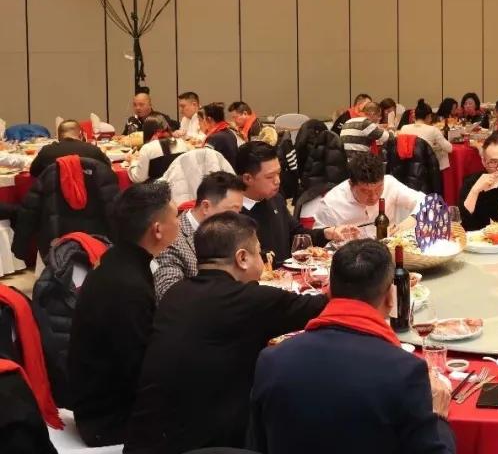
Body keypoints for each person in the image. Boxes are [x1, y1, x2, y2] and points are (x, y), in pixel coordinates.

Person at [125, 212, 327, 454]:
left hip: (146, 439)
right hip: (201, 445)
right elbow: (324, 306)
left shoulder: (176, 293)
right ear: (242, 258)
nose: (262, 259)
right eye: (258, 252)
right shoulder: (250, 300)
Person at [249, 239, 455, 454]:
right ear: (390, 298)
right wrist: (438, 416)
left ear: (329, 290)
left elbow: (256, 445)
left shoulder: (271, 360)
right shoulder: (405, 371)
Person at [67, 181, 180, 446]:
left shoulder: (120, 261)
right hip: (108, 419)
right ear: (157, 229)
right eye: (176, 216)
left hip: (108, 401)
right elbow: (138, 366)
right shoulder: (127, 285)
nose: (180, 222)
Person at [236, 142, 348, 263]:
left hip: (286, 272)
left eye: (278, 173)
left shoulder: (276, 199)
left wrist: (327, 233)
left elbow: (297, 234)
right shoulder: (234, 211)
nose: (277, 181)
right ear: (248, 178)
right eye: (270, 177)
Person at [152, 171, 246, 301]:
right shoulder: (172, 240)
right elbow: (170, 294)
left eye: (239, 212)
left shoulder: (227, 234)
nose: (236, 219)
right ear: (206, 206)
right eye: (232, 211)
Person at [308, 151, 423, 234]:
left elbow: (426, 201)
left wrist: (413, 218)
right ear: (351, 184)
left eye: (378, 189)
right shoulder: (331, 204)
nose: (374, 197)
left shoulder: (390, 183)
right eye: (365, 191)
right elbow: (318, 241)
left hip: (388, 250)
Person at [29, 119, 110, 178]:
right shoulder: (93, 150)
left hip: (53, 195)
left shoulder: (46, 151)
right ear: (81, 134)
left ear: (58, 136)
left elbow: (34, 172)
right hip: (90, 194)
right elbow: (107, 169)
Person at [128, 115, 192, 183]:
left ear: (147, 131)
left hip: (156, 188)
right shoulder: (182, 143)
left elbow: (139, 178)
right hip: (180, 185)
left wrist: (133, 162)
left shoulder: (147, 148)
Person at [399, 99, 454, 170]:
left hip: (407, 166)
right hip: (427, 167)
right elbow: (449, 148)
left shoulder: (404, 128)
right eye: (431, 117)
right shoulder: (433, 129)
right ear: (428, 116)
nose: (431, 119)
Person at [199, 102, 240, 169]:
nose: (203, 121)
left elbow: (205, 162)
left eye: (203, 118)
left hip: (222, 173)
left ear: (209, 119)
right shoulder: (230, 132)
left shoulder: (213, 138)